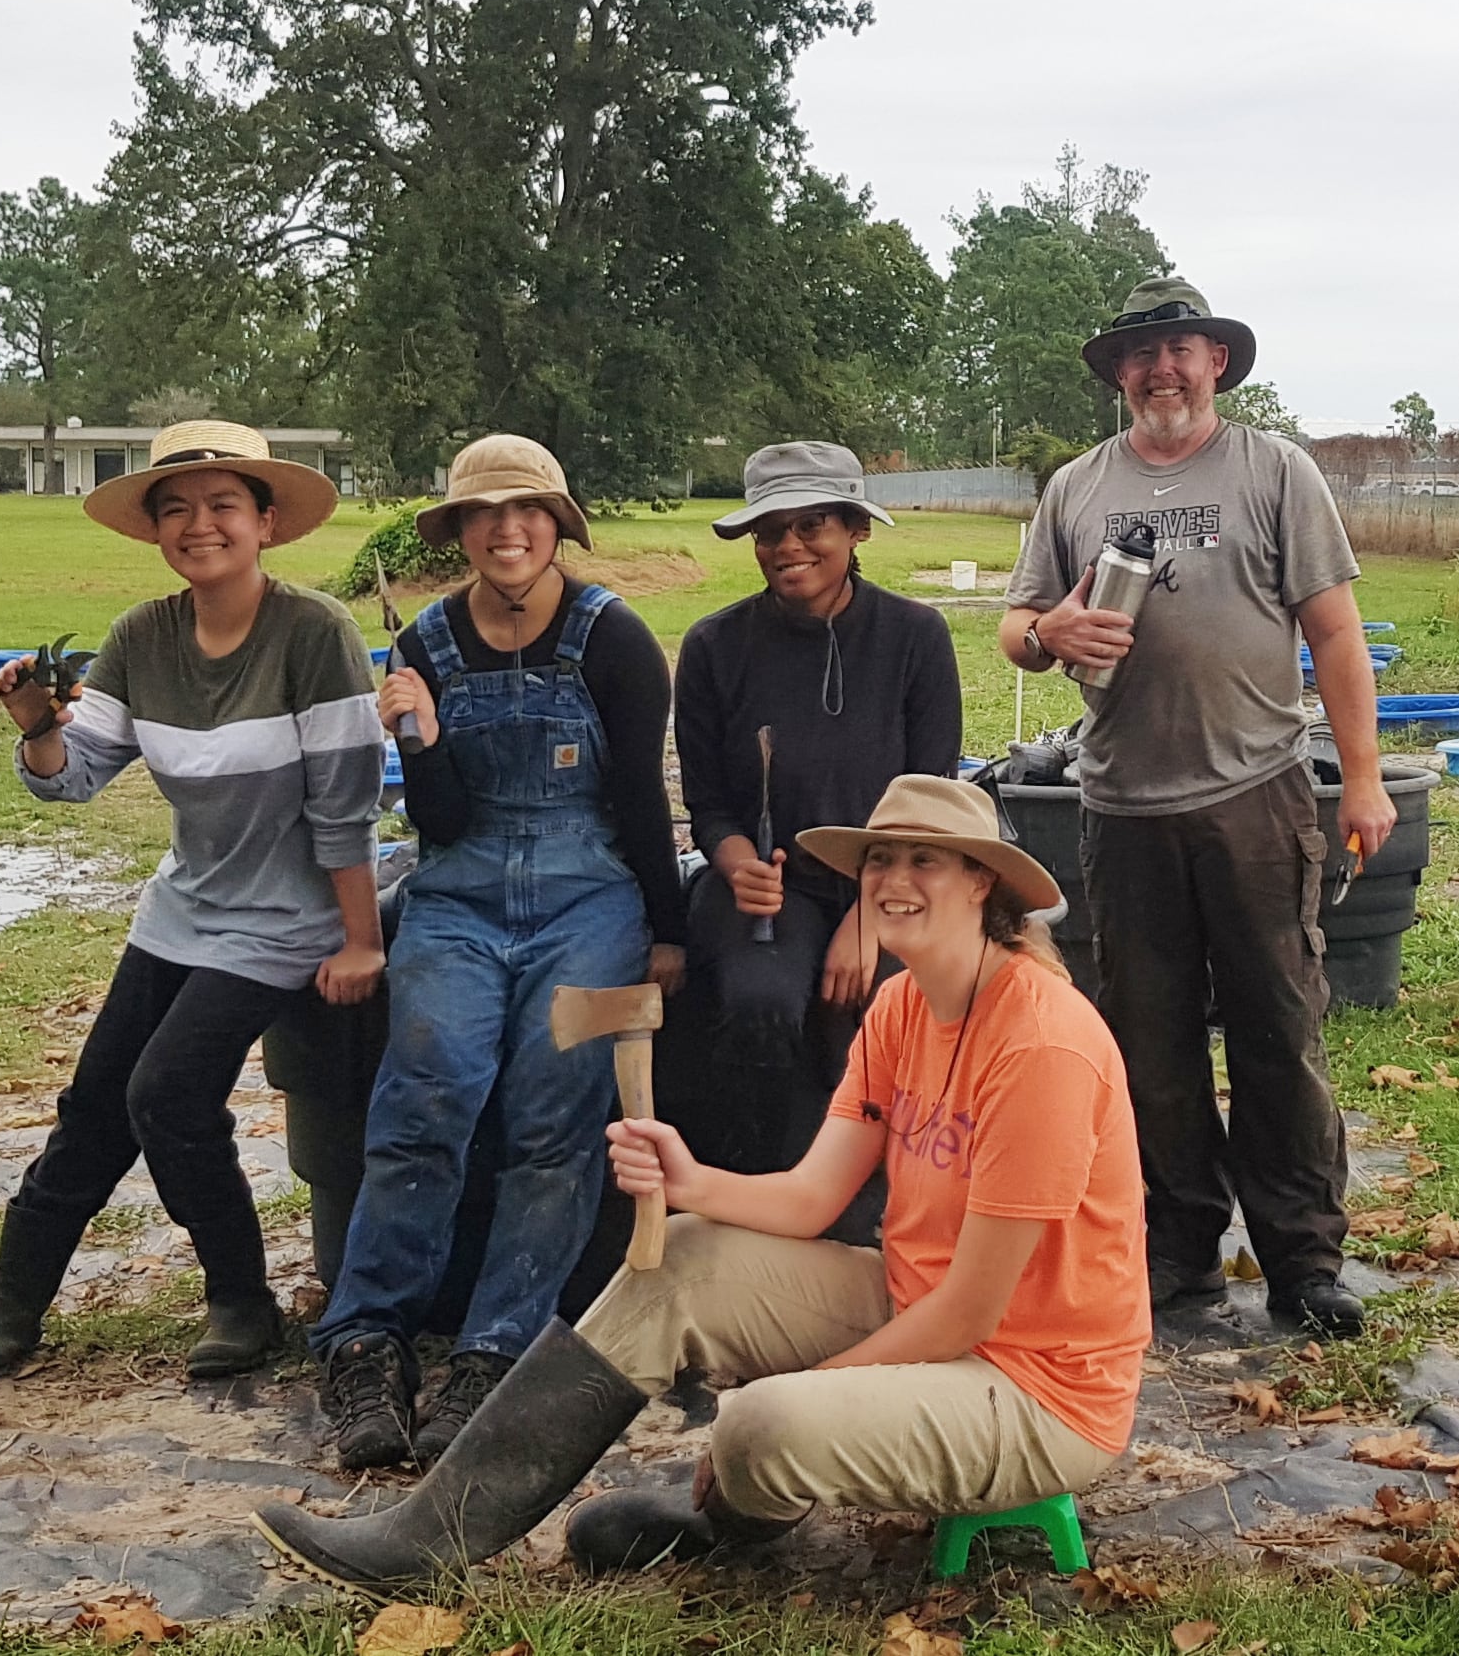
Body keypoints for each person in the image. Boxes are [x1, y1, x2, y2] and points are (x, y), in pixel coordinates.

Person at [252, 775, 1147, 1590]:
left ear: (982, 882)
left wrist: (814, 1387)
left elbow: (969, 1316)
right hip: (915, 1304)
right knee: (678, 1257)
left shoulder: (1041, 1046)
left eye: (925, 860)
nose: (892, 878)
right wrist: (689, 1179)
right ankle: (433, 1530)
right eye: (880, 857)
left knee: (761, 1425)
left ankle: (728, 1522)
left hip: (1038, 1391)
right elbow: (809, 1198)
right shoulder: (902, 1005)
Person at [0, 421, 385, 1384]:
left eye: (223, 504)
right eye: (175, 509)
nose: (199, 525)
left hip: (287, 917)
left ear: (265, 521)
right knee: (96, 1099)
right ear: (155, 533)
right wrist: (35, 730)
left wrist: (361, 941)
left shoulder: (314, 633)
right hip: (185, 906)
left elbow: (346, 805)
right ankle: (12, 1305)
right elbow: (76, 774)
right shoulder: (142, 636)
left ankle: (241, 1299)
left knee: (168, 1093)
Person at [998, 276, 1396, 1338]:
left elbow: (1337, 634)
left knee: (1276, 1025)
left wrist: (1360, 777)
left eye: (1180, 348)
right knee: (1147, 1040)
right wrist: (1050, 637)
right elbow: (1017, 621)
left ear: (1215, 360)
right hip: (1121, 805)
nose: (1161, 368)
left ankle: (1303, 1261)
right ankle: (1175, 1254)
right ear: (1119, 374)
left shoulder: (1273, 469)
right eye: (1141, 354)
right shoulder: (1077, 486)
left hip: (1254, 794)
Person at [309, 433, 685, 1473]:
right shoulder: (423, 640)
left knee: (554, 1106)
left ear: (558, 522)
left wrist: (665, 930)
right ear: (460, 531)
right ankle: (365, 1340)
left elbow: (638, 801)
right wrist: (418, 738)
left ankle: (494, 1347)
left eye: (527, 510)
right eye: (484, 513)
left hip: (589, 899)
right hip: (460, 895)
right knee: (428, 1084)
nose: (506, 529)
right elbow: (438, 822)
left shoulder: (613, 638)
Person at [674, 441, 962, 1169]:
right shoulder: (713, 646)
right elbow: (707, 802)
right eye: (770, 531)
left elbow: (932, 793)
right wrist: (738, 863)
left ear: (855, 530)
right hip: (776, 884)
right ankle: (761, 1182)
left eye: (813, 525)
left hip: (899, 880)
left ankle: (886, 1201)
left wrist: (871, 915)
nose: (788, 546)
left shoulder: (914, 637)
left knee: (891, 1001)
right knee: (761, 999)